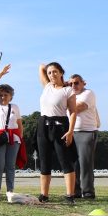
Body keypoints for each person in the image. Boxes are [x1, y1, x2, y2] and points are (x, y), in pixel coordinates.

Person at [37, 62, 78, 204]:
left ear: (61, 72)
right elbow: (41, 66)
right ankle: (44, 195)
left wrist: (70, 131)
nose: (52, 74)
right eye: (49, 73)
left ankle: (70, 195)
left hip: (60, 127)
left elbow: (73, 111)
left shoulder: (68, 90)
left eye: (55, 71)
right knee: (44, 161)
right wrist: (48, 70)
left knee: (65, 160)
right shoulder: (47, 86)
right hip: (43, 126)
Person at [0, 65, 25, 196]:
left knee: (10, 165)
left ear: (11, 96)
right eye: (1, 95)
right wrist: (1, 74)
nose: (3, 97)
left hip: (14, 139)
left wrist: (21, 138)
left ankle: (10, 190)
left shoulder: (15, 107)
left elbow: (19, 124)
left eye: (6, 95)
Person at [68, 74, 98, 199]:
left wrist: (61, 103)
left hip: (87, 132)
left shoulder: (88, 93)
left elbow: (77, 108)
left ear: (83, 83)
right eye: (70, 83)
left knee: (85, 163)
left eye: (76, 83)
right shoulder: (69, 95)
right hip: (71, 132)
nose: (73, 86)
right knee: (73, 164)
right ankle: (75, 191)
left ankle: (88, 192)